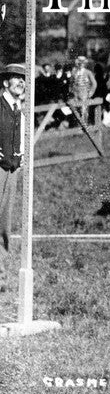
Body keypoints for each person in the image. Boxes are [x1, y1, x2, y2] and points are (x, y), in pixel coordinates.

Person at [0, 64, 25, 290]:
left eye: (23, 79)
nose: (21, 82)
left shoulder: (19, 108)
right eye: (16, 78)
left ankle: (2, 275)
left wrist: (20, 159)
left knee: (5, 223)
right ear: (6, 82)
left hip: (13, 170)